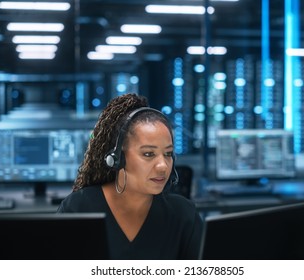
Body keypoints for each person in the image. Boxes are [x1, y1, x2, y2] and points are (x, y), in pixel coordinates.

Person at [57, 93, 204, 259]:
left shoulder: (183, 214)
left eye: (168, 154)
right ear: (117, 159)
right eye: (149, 154)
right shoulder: (79, 208)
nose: (163, 165)